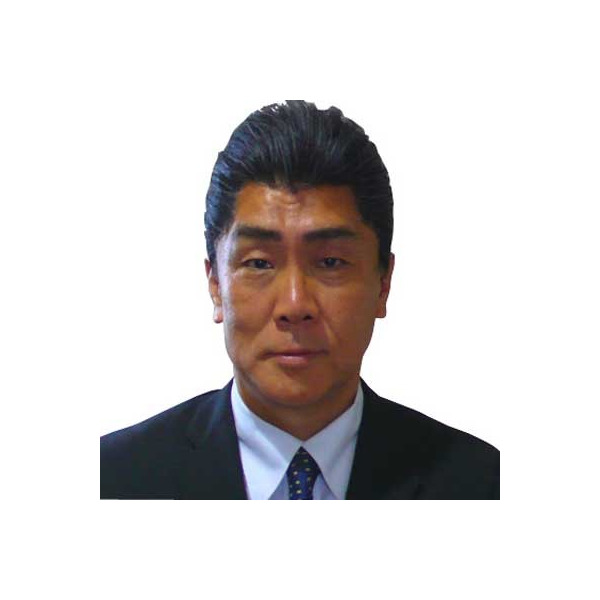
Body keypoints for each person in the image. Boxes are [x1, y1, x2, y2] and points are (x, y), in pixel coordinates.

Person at [100, 100, 499, 500]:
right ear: (216, 285)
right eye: (259, 263)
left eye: (330, 262)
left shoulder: (482, 483)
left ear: (383, 284)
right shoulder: (112, 479)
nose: (294, 305)